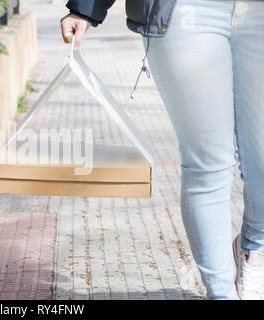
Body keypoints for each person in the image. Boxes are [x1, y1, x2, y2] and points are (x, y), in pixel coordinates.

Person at [61, 0, 264, 300]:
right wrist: (85, 7)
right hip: (187, 10)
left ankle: (254, 248)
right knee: (208, 163)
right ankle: (222, 294)